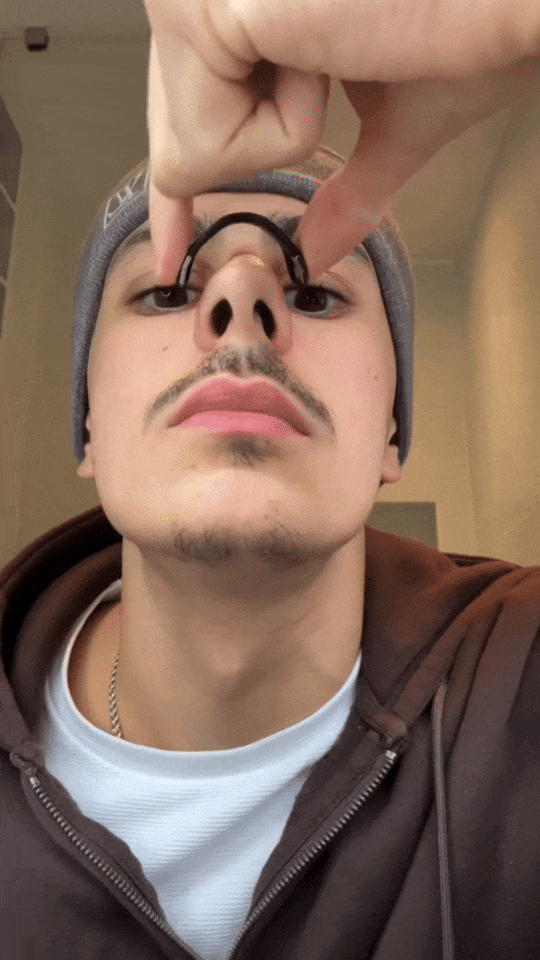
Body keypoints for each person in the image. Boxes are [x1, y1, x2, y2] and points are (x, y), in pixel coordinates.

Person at [1, 6, 540, 960]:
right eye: (168, 290)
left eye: (317, 292)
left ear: (392, 431)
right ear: (87, 426)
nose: (240, 300)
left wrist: (513, 24)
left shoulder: (517, 682)